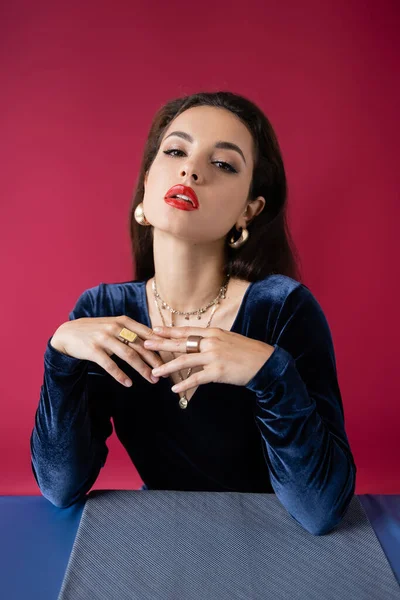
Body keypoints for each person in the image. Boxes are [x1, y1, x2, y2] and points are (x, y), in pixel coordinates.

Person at [30, 91, 357, 536]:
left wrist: (269, 373)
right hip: (160, 543)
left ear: (250, 209)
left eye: (222, 164)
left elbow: (321, 509)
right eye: (176, 151)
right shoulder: (102, 311)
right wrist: (60, 358)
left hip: (278, 547)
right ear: (148, 180)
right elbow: (59, 488)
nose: (191, 170)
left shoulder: (282, 309)